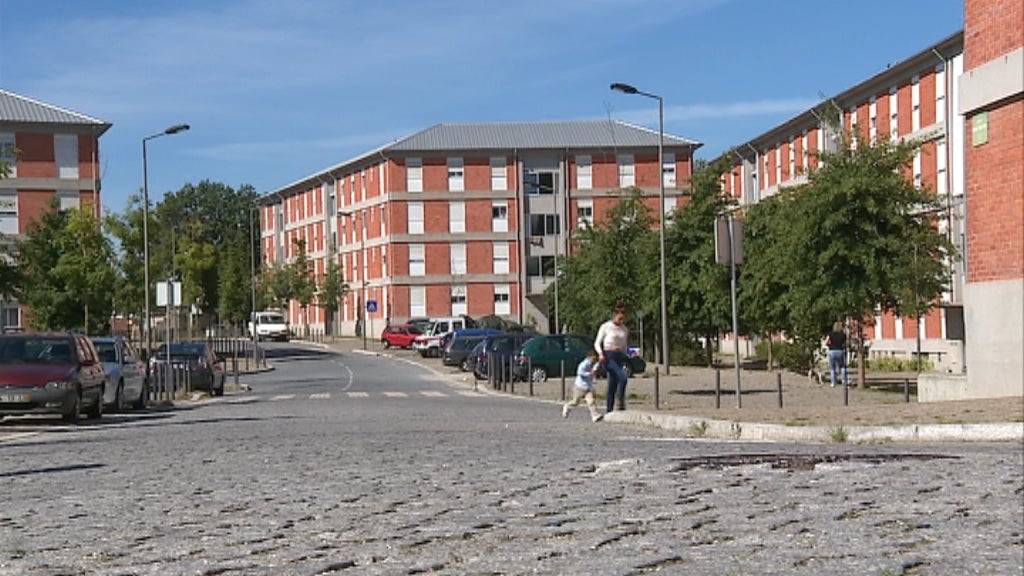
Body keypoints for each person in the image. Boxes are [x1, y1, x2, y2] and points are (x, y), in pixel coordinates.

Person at [595, 301, 630, 413]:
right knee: (623, 377)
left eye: (623, 319)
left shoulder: (624, 329)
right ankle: (620, 401)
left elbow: (624, 346)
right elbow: (597, 343)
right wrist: (600, 354)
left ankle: (609, 410)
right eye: (620, 318)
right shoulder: (606, 327)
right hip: (608, 356)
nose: (621, 321)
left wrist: (630, 353)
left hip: (619, 356)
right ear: (615, 315)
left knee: (613, 384)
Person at [562, 350, 603, 422]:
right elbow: (579, 372)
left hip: (588, 387)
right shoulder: (584, 364)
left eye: (595, 359)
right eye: (593, 358)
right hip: (579, 387)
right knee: (575, 402)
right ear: (589, 357)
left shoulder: (594, 364)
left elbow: (596, 368)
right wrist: (589, 374)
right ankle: (567, 406)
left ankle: (594, 415)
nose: (594, 360)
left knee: (591, 401)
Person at [825, 321, 848, 387]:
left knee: (832, 368)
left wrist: (829, 345)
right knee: (842, 367)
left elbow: (826, 342)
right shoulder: (842, 334)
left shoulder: (830, 334)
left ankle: (833, 382)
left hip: (832, 351)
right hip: (840, 350)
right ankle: (844, 381)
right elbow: (845, 343)